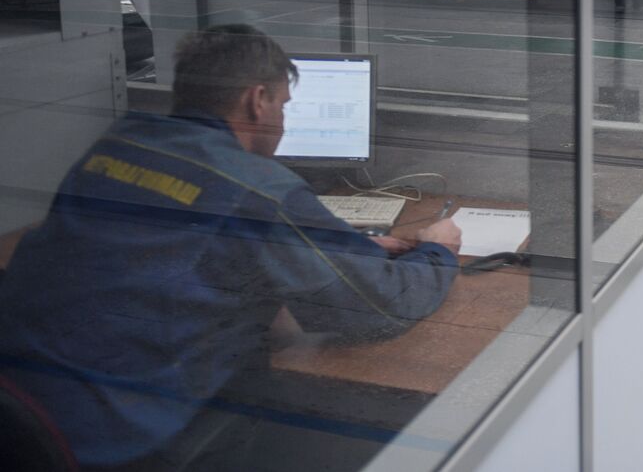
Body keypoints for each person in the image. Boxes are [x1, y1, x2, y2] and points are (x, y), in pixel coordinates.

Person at [0, 25, 463, 470]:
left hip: (24, 403)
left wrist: (321, 250)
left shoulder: (117, 146)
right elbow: (377, 306)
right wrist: (436, 251)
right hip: (121, 435)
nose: (283, 121)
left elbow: (150, 262)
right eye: (283, 104)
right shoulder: (259, 189)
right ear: (257, 101)